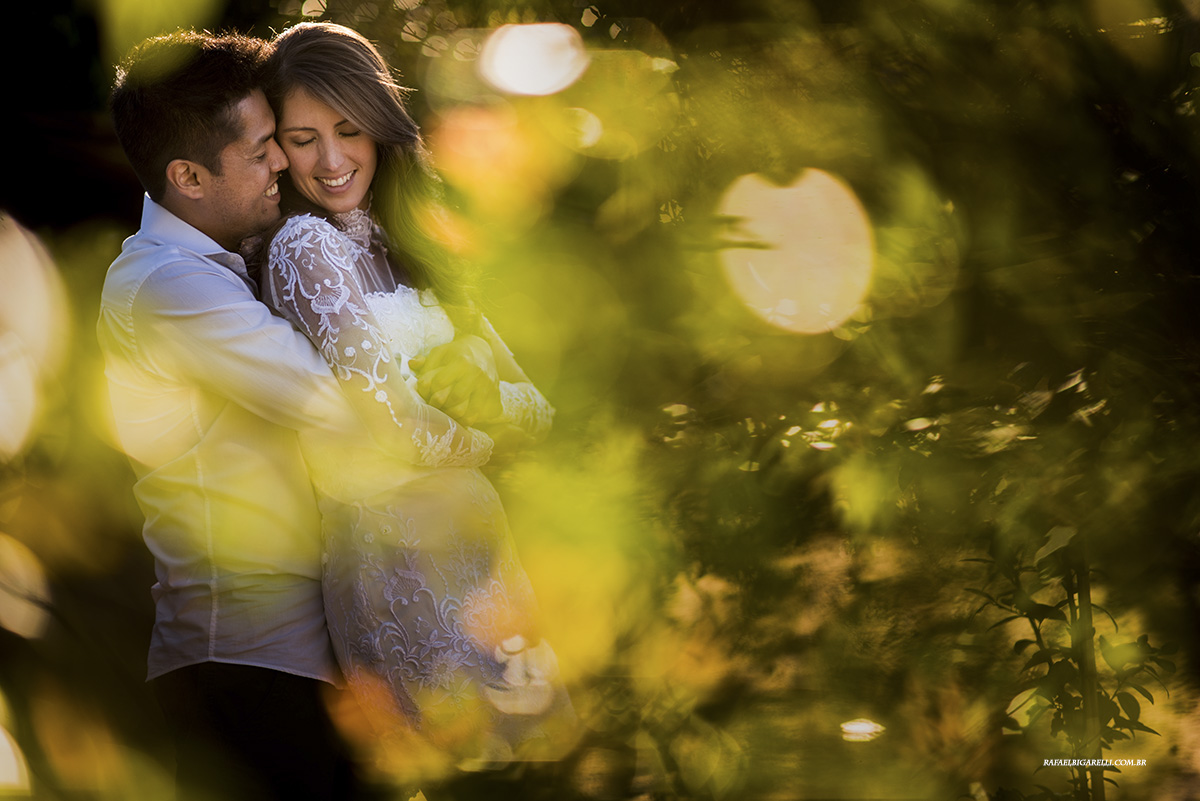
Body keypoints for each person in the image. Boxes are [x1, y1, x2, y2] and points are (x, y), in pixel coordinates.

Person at [250, 20, 577, 792]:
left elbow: (538, 405)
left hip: (485, 561)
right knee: (454, 770)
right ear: (277, 147)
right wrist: (487, 432)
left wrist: (485, 398)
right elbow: (394, 429)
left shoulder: (416, 242)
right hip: (394, 560)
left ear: (381, 125)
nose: (331, 161)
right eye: (302, 138)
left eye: (349, 129)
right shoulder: (305, 247)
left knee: (531, 769)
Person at [99, 30, 377, 801]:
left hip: (299, 656)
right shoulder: (165, 287)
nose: (284, 164)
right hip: (245, 665)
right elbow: (334, 402)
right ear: (188, 175)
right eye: (262, 151)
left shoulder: (221, 264)